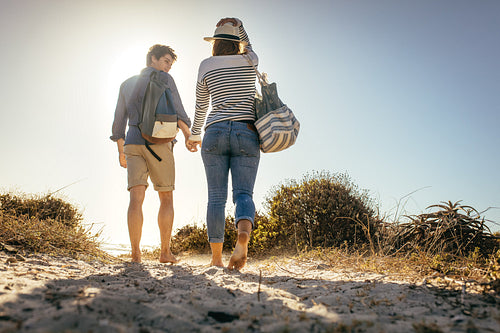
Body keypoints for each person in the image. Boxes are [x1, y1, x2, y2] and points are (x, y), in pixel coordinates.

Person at [187, 18, 259, 270]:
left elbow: (200, 105)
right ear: (237, 42)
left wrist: (194, 135)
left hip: (214, 131)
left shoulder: (206, 65)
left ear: (215, 43)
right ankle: (243, 235)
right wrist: (239, 24)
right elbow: (249, 44)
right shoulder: (249, 59)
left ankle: (216, 258)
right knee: (243, 194)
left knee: (216, 198)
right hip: (246, 131)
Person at [111, 44, 192, 263]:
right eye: (166, 61)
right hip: (159, 143)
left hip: (132, 143)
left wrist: (121, 151)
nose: (168, 67)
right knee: (166, 197)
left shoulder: (126, 84)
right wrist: (187, 134)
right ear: (152, 59)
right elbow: (179, 111)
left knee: (135, 198)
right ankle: (165, 253)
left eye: (170, 64)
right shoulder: (165, 80)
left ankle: (135, 254)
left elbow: (118, 124)